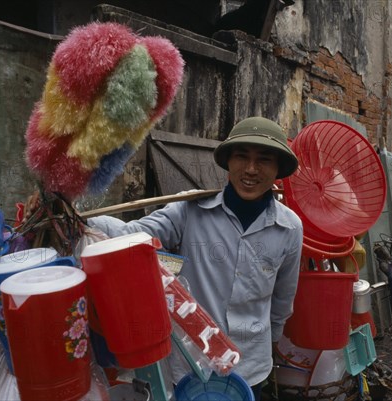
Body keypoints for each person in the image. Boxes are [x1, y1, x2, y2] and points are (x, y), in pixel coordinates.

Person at [88, 116, 303, 399]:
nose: (251, 169)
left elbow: (282, 301)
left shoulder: (289, 228)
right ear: (228, 162)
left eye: (264, 159)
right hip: (190, 363)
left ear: (277, 169)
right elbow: (133, 234)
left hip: (249, 366)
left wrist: (271, 343)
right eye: (242, 156)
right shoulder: (190, 209)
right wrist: (77, 219)